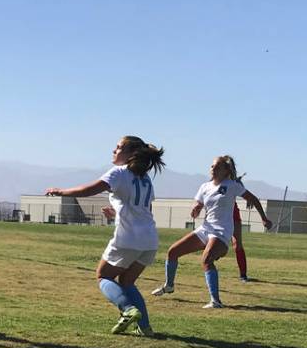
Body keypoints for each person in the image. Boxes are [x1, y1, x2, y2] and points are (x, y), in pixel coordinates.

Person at [46, 136, 165, 336]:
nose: (114, 150)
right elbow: (143, 209)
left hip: (128, 237)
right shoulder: (145, 179)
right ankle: (144, 327)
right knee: (127, 282)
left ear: (130, 155)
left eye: (118, 148)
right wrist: (118, 213)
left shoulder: (120, 172)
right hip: (150, 239)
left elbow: (91, 189)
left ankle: (128, 310)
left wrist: (60, 191)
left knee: (103, 276)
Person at [152, 155, 267, 308]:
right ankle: (169, 285)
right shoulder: (205, 186)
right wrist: (196, 209)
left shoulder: (232, 185)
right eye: (212, 166)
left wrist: (264, 218)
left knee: (206, 260)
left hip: (221, 232)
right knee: (173, 251)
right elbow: (198, 204)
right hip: (205, 229)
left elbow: (253, 198)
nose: (213, 169)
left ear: (226, 170)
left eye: (217, 166)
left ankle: (216, 301)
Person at [231, 176, 273, 282]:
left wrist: (263, 218)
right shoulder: (212, 183)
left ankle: (243, 275)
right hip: (217, 218)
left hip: (233, 214)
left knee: (237, 245)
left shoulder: (234, 183)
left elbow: (250, 196)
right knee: (215, 247)